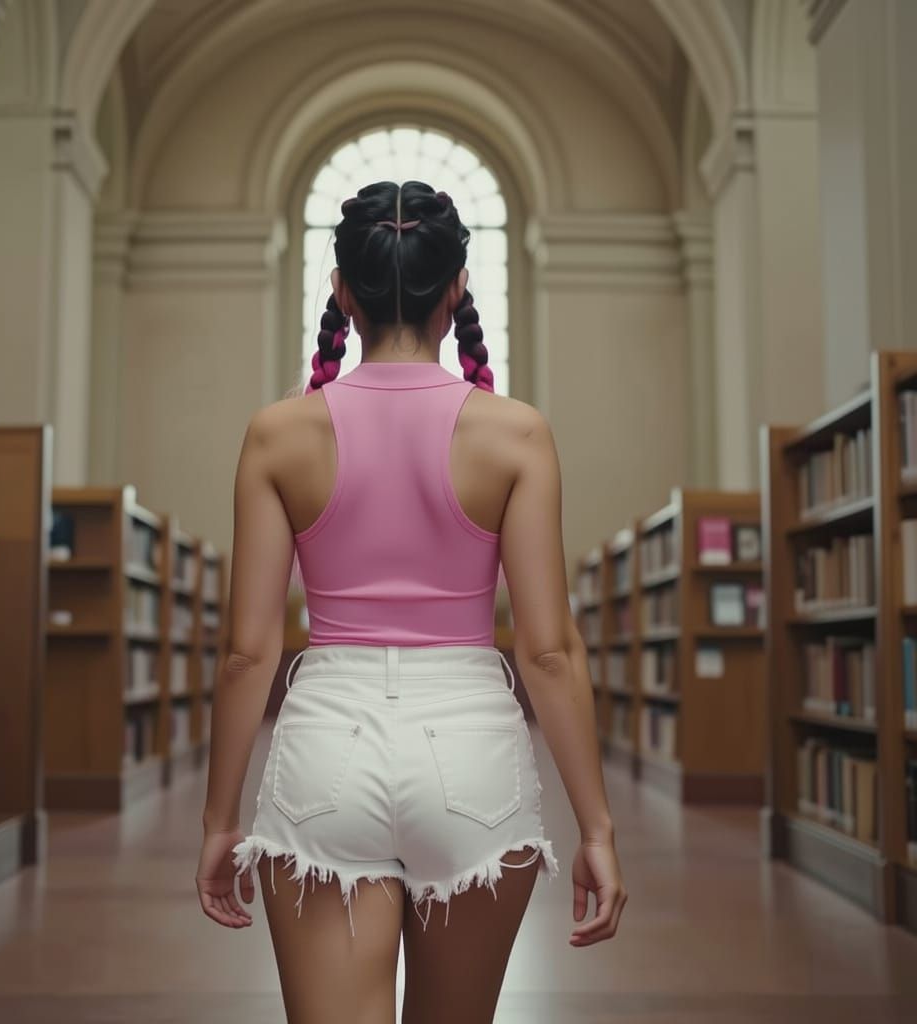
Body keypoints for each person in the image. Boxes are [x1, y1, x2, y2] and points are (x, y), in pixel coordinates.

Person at [195, 180, 626, 1023]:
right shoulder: (516, 433)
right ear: (457, 287)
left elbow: (248, 653)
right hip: (471, 753)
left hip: (326, 746)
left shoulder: (279, 434)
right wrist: (597, 829)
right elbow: (547, 651)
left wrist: (219, 821)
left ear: (343, 289)